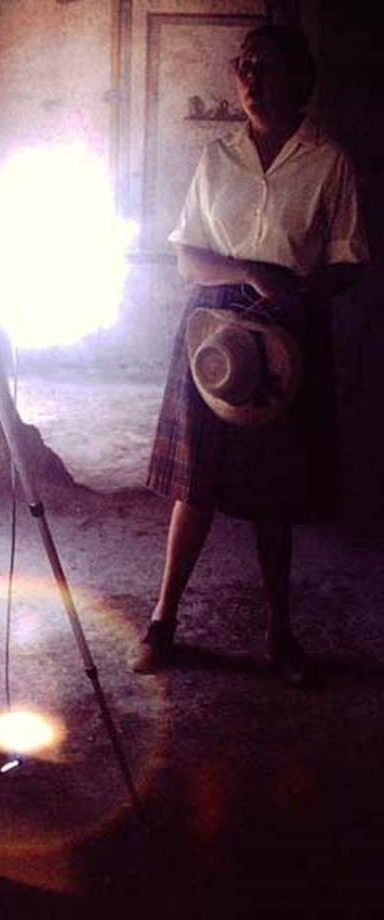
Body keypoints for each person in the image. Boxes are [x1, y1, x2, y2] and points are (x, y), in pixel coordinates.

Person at [131, 23, 369, 684]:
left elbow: (348, 260)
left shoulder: (329, 161)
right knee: (195, 483)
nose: (250, 80)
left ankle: (279, 637)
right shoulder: (218, 157)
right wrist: (248, 272)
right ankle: (162, 623)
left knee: (276, 493)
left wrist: (294, 291)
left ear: (300, 79)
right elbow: (186, 256)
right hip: (214, 335)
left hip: (290, 335)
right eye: (242, 67)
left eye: (265, 67)